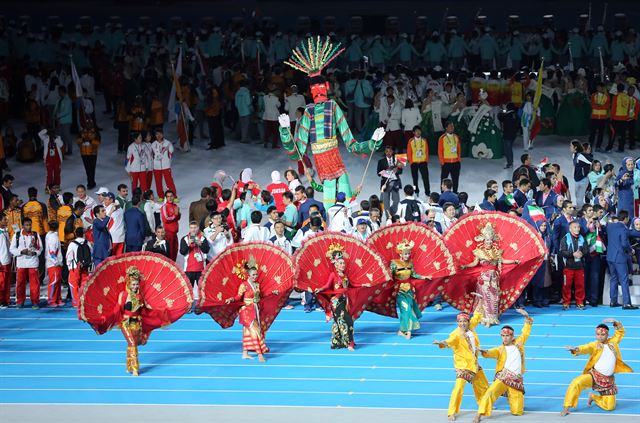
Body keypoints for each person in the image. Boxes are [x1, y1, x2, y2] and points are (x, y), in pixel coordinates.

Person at [278, 37, 384, 206]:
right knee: (331, 191)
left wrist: (373, 142)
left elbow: (351, 144)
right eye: (314, 89)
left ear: (326, 88)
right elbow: (297, 152)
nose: (318, 92)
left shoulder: (333, 106)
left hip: (334, 158)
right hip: (322, 162)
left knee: (343, 192)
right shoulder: (309, 111)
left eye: (321, 88)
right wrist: (285, 132)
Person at [561, 320, 633, 416]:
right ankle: (566, 407)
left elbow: (620, 332)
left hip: (608, 381)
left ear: (607, 335)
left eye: (602, 334)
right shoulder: (594, 345)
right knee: (576, 382)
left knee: (610, 407)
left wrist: (615, 322)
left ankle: (593, 397)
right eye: (598, 334)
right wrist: (575, 349)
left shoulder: (613, 342)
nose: (599, 336)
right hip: (594, 376)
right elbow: (585, 348)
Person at [472, 309, 533, 423]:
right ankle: (479, 415)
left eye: (507, 336)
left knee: (517, 412)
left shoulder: (519, 343)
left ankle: (511, 397)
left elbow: (526, 331)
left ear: (512, 336)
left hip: (516, 380)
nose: (504, 338)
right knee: (490, 393)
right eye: (503, 336)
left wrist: (526, 317)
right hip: (503, 377)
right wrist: (484, 352)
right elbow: (490, 352)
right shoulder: (500, 349)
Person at [433, 309, 489, 421]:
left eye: (464, 321)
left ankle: (483, 405)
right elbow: (449, 341)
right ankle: (451, 412)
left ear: (468, 322)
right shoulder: (456, 334)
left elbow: (477, 315)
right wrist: (441, 343)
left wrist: (481, 301)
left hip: (474, 364)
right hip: (463, 366)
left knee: (482, 385)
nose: (462, 323)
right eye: (459, 321)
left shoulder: (471, 327)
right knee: (458, 388)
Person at [460, 222, 520, 326]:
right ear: (484, 240)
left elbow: (503, 261)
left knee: (494, 298)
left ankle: (493, 317)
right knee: (485, 298)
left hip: (494, 278)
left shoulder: (497, 252)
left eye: (490, 240)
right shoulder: (479, 251)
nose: (489, 242)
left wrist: (514, 261)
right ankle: (485, 318)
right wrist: (465, 266)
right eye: (487, 240)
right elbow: (474, 263)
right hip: (484, 278)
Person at [224, 260, 274, 362]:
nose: (255, 276)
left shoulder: (257, 285)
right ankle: (260, 354)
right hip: (246, 310)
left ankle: (245, 353)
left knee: (247, 331)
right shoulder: (244, 285)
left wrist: (272, 292)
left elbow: (262, 296)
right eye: (253, 275)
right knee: (255, 331)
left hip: (255, 309)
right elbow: (238, 297)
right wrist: (231, 299)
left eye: (256, 274)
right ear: (248, 275)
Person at [316, 246, 357, 350]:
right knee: (345, 320)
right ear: (335, 264)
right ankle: (349, 343)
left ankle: (338, 341)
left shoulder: (345, 275)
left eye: (343, 263)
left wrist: (364, 285)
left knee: (341, 320)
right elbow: (327, 286)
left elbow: (351, 285)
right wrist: (320, 289)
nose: (343, 265)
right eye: (340, 263)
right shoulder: (333, 275)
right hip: (336, 301)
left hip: (345, 300)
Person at [390, 240, 432, 340]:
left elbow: (413, 274)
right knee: (406, 309)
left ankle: (401, 330)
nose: (407, 255)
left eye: (409, 253)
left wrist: (424, 277)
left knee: (409, 309)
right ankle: (408, 331)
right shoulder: (394, 263)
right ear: (400, 253)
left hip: (409, 290)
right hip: (399, 291)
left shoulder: (410, 263)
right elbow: (389, 276)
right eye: (405, 253)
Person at [118, 267, 149, 376]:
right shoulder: (123, 295)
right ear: (128, 284)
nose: (135, 286)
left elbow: (145, 311)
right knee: (132, 343)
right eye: (133, 284)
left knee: (132, 344)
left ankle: (129, 366)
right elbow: (117, 310)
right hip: (125, 323)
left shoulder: (140, 296)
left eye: (137, 284)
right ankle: (135, 368)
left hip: (136, 323)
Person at [606, 212, 638, 309]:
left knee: (614, 278)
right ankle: (626, 303)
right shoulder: (623, 229)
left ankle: (613, 301)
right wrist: (630, 250)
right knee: (624, 280)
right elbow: (624, 244)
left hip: (610, 256)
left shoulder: (610, 226)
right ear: (626, 218)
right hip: (619, 257)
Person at [9, 218, 43, 308]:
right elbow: (11, 249)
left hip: (33, 262)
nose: (29, 226)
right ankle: (20, 301)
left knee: (34, 284)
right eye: (27, 225)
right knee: (20, 283)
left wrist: (35, 253)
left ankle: (35, 302)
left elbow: (40, 248)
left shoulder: (35, 234)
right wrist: (21, 252)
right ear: (23, 226)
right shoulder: (17, 235)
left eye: (30, 224)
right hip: (21, 262)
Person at [559, 221, 588, 310]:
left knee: (580, 285)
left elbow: (586, 250)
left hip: (580, 266)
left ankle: (579, 302)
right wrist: (572, 254)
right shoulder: (565, 238)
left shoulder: (582, 238)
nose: (577, 229)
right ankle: (566, 302)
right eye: (575, 227)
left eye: (578, 227)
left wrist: (582, 254)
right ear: (570, 229)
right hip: (568, 267)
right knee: (566, 286)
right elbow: (562, 252)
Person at [179, 221, 210, 301]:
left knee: (202, 290)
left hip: (201, 269)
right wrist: (188, 244)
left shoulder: (203, 238)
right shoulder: (185, 239)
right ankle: (187, 306)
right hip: (189, 269)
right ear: (189, 228)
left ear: (198, 228)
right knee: (188, 290)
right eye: (191, 228)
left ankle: (202, 306)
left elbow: (206, 250)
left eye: (195, 228)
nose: (193, 230)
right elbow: (182, 252)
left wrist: (200, 244)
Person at [66, 227, 92, 307]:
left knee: (74, 285)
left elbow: (69, 257)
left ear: (75, 234)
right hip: (85, 267)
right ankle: (84, 302)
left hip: (75, 267)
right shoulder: (87, 243)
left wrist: (69, 266)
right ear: (83, 234)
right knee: (84, 284)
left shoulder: (72, 244)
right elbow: (91, 254)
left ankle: (76, 303)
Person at [377, 145, 403, 218]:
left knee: (396, 200)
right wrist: (385, 172)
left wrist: (397, 170)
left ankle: (391, 213)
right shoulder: (381, 161)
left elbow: (401, 171)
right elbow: (378, 173)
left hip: (395, 183)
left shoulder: (396, 160)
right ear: (385, 152)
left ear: (393, 152)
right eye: (387, 151)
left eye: (390, 151)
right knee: (386, 202)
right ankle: (388, 217)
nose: (388, 153)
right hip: (385, 183)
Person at [152, 129, 177, 199]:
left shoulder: (168, 143)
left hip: (166, 166)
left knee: (169, 182)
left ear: (163, 134)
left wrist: (167, 161)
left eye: (160, 134)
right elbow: (151, 156)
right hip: (156, 166)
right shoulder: (153, 144)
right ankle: (161, 196)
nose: (159, 136)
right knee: (158, 182)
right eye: (157, 134)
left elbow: (171, 153)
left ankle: (174, 196)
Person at [438, 121, 461, 193]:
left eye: (452, 126)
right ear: (446, 128)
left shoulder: (456, 137)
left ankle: (455, 193)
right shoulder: (442, 138)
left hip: (455, 162)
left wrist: (458, 159)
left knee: (455, 179)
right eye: (450, 126)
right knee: (444, 180)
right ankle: (443, 193)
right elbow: (440, 150)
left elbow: (458, 149)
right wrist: (442, 162)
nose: (452, 128)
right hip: (446, 163)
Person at [407, 125, 430, 197]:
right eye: (416, 131)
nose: (418, 133)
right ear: (413, 132)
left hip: (423, 162)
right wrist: (411, 161)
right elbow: (409, 152)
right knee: (415, 179)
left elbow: (426, 151)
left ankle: (427, 192)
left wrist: (426, 160)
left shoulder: (424, 140)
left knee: (425, 178)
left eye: (419, 131)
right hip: (414, 163)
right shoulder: (411, 141)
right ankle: (415, 191)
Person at [44, 220, 63, 307]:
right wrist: (57, 262)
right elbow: (52, 252)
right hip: (54, 264)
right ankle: (51, 300)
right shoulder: (53, 238)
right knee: (54, 282)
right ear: (58, 227)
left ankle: (57, 299)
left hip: (54, 263)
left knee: (57, 282)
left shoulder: (50, 235)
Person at [589, 82, 610, 152]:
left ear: (602, 88)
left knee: (601, 132)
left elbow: (607, 106)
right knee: (592, 131)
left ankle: (598, 146)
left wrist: (600, 106)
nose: (599, 88)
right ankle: (590, 144)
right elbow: (592, 104)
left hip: (602, 117)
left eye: (600, 87)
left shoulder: (606, 96)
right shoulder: (593, 95)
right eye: (598, 87)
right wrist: (599, 106)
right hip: (594, 116)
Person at [161, 190, 181, 261]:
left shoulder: (175, 206)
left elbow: (177, 218)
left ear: (173, 197)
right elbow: (166, 219)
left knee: (175, 250)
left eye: (171, 196)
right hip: (168, 233)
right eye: (168, 196)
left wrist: (178, 214)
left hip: (174, 233)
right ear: (166, 198)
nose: (170, 198)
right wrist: (175, 214)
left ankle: (173, 267)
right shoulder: (164, 207)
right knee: (170, 252)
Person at [571, 140, 591, 208]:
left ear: (575, 147)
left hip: (583, 179)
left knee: (579, 198)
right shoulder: (574, 155)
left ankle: (582, 211)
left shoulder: (581, 155)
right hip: (576, 179)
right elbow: (575, 165)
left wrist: (588, 173)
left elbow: (592, 162)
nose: (570, 147)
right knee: (577, 196)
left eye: (571, 146)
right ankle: (581, 209)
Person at [498, 103, 518, 169]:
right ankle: (510, 162)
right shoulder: (515, 114)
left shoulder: (507, 115)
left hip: (507, 135)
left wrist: (502, 111)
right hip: (513, 134)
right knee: (510, 149)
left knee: (507, 149)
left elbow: (500, 117)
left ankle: (509, 163)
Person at [0, 213, 11, 308]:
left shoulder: (5, 232)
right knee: (1, 283)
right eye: (4, 219)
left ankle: (6, 300)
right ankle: (1, 301)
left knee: (7, 283)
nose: (6, 221)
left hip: (7, 260)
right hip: (1, 261)